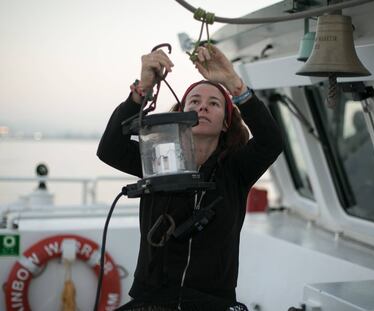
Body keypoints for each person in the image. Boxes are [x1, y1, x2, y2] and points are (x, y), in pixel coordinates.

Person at [97, 44, 283, 311]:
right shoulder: (157, 159)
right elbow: (110, 148)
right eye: (194, 102)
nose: (202, 107)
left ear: (226, 122)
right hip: (152, 298)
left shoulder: (237, 168)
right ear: (181, 115)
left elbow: (271, 141)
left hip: (213, 301)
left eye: (214, 103)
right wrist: (142, 90)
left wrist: (234, 83)